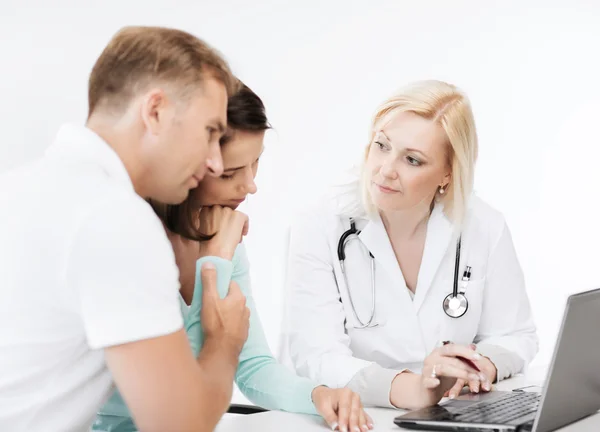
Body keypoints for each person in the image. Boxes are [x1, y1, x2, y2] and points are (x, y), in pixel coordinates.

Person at [0, 26, 249, 432]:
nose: (216, 164)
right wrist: (225, 343)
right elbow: (178, 426)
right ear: (155, 112)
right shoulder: (114, 218)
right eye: (209, 132)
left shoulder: (16, 190)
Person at [93, 84, 373, 432]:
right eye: (229, 173)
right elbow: (176, 392)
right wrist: (214, 263)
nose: (250, 185)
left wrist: (317, 395)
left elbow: (252, 366)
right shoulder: (128, 238)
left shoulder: (222, 233)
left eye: (255, 163)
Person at [285, 80, 539, 410]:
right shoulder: (321, 224)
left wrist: (475, 367)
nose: (386, 170)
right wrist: (417, 389)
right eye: (382, 145)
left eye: (412, 160)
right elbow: (316, 355)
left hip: (457, 411)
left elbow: (516, 334)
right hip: (362, 416)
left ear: (447, 174)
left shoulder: (483, 225)